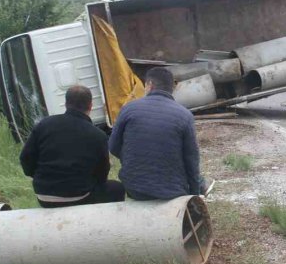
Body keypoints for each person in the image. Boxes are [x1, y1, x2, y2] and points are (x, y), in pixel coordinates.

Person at [19, 85, 125, 208]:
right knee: (117, 188)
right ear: (90, 106)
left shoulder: (44, 124)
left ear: (66, 104)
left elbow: (25, 158)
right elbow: (102, 174)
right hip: (80, 196)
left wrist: (40, 177)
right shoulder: (98, 135)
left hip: (44, 196)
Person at [109, 67, 204, 200]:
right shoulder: (185, 115)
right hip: (172, 191)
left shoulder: (128, 109)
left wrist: (134, 159)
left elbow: (113, 147)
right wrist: (195, 195)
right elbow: (191, 160)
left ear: (149, 85)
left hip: (135, 188)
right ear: (173, 88)